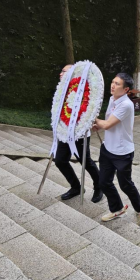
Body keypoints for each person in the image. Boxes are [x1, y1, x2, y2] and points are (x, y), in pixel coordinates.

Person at [94, 73, 140, 224]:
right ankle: (117, 209)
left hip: (122, 152)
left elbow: (107, 124)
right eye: (112, 82)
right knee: (103, 182)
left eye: (117, 84)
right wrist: (97, 125)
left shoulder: (126, 105)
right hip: (107, 148)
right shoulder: (112, 99)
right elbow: (108, 123)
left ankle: (139, 209)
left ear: (126, 89)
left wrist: (89, 116)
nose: (113, 85)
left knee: (125, 184)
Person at [54, 64, 103, 203]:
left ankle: (99, 186)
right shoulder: (61, 90)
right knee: (60, 161)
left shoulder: (83, 88)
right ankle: (76, 187)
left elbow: (90, 107)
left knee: (85, 161)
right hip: (64, 132)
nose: (60, 74)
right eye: (61, 71)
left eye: (64, 71)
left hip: (79, 133)